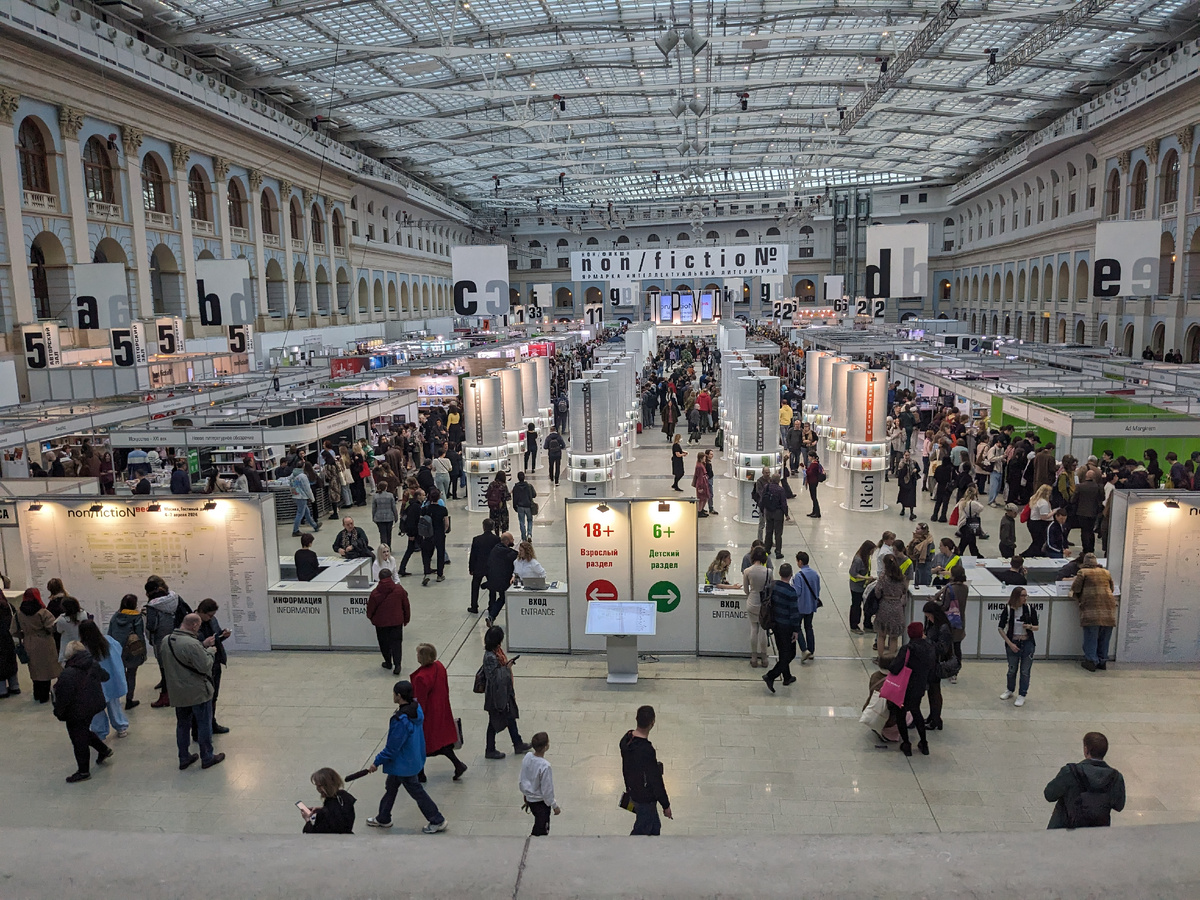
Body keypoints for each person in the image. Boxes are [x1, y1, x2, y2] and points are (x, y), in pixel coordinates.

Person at [365, 680, 448, 833]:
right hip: (412, 759)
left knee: (417, 792)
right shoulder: (416, 710)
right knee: (391, 787)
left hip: (403, 764)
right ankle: (383, 817)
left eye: (394, 693)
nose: (393, 696)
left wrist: (376, 762)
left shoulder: (400, 720)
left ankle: (437, 819)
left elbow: (392, 748)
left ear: (399, 696)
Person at [161, 613, 225, 771]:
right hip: (197, 691)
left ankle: (183, 757)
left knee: (182, 725)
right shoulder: (192, 644)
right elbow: (205, 666)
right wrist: (210, 651)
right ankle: (207, 757)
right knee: (204, 724)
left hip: (177, 690)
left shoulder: (166, 640)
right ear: (195, 626)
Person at [53, 641, 113, 783]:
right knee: (83, 731)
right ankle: (103, 750)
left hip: (77, 710)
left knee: (78, 738)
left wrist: (58, 712)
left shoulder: (68, 673)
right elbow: (105, 677)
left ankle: (83, 771)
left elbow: (63, 697)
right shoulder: (92, 663)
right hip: (93, 704)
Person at [1044, 732, 1126, 829]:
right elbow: (1119, 806)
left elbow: (1049, 795)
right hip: (1096, 834)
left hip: (1065, 831)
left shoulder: (1070, 772)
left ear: (1086, 750)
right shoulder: (1115, 777)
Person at [410, 643, 467, 781]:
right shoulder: (439, 667)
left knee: (420, 743)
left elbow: (419, 701)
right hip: (441, 708)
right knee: (441, 741)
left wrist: (413, 715)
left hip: (428, 714)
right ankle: (457, 764)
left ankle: (420, 774)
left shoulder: (420, 678)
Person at [619, 705, 672, 836]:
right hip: (644, 797)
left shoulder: (626, 739)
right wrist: (666, 805)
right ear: (652, 723)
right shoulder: (646, 750)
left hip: (633, 790)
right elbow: (656, 781)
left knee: (654, 826)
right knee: (641, 830)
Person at [887, 622, 935, 757]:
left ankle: (906, 744)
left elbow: (895, 667)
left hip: (905, 687)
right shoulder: (929, 648)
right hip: (920, 686)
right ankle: (924, 743)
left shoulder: (907, 649)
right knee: (916, 711)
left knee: (901, 713)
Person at [482, 625, 530, 760]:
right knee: (494, 722)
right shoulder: (490, 657)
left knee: (510, 717)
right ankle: (490, 749)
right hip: (496, 695)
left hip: (504, 692)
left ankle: (517, 743)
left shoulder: (496, 652)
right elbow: (494, 677)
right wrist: (507, 668)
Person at [77, 619, 129, 740]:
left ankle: (99, 732)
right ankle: (121, 727)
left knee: (96, 710)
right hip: (111, 680)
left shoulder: (82, 648)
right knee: (114, 705)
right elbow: (119, 651)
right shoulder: (109, 641)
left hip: (93, 683)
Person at [1070, 553, 1118, 672]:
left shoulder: (1083, 572)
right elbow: (1112, 588)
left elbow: (1076, 588)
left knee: (1091, 636)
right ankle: (1102, 661)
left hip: (1092, 610)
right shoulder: (1106, 572)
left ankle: (1091, 661)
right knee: (1104, 637)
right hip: (1108, 610)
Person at [16, 588, 61, 703]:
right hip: (45, 642)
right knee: (46, 669)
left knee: (35, 669)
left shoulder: (19, 612)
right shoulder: (43, 612)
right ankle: (45, 695)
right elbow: (51, 627)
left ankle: (37, 694)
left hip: (29, 642)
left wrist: (24, 635)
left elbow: (13, 630)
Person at [762, 563, 800, 693]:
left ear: (779, 573)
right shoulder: (791, 592)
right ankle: (771, 675)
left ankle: (787, 677)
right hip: (787, 626)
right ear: (791, 575)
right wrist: (796, 630)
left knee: (782, 651)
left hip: (775, 624)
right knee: (790, 653)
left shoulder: (773, 586)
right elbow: (794, 613)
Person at [999, 586, 1039, 706]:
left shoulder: (1030, 610)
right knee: (1012, 669)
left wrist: (1029, 627)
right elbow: (1000, 628)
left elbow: (1037, 627)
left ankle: (1022, 694)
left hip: (1027, 643)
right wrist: (1010, 643)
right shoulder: (1008, 609)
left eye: (1026, 595)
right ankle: (1010, 689)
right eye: (1022, 596)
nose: (1025, 598)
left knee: (1025, 671)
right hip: (1013, 642)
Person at [196, 599, 231, 734]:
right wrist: (203, 644)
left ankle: (212, 723)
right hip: (202, 665)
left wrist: (223, 635)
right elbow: (189, 646)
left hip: (214, 662)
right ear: (201, 612)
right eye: (209, 615)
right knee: (203, 699)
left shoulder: (212, 620)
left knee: (214, 696)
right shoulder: (192, 623)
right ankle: (200, 728)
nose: (211, 618)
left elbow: (216, 638)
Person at [367, 569, 410, 676]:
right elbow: (406, 606)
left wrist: (372, 619)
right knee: (397, 643)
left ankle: (388, 662)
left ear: (380, 578)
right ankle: (397, 665)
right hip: (397, 622)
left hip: (381, 623)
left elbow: (370, 610)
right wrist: (406, 619)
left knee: (384, 643)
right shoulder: (399, 590)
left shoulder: (375, 593)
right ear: (391, 577)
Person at [519, 732, 562, 836]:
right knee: (541, 829)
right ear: (546, 747)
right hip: (540, 802)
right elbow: (547, 790)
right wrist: (554, 805)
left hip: (529, 798)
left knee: (539, 823)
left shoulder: (528, 756)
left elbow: (523, 777)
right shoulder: (545, 766)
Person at [922, 601, 955, 731]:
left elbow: (942, 648)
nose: (928, 619)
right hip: (930, 662)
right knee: (932, 691)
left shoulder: (943, 627)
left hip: (937, 663)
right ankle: (933, 716)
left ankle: (936, 719)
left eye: (929, 616)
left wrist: (926, 640)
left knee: (935, 692)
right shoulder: (933, 625)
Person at [936, 564, 969, 680]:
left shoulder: (950, 589)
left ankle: (947, 669)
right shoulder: (965, 588)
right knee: (957, 646)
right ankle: (956, 671)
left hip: (949, 622)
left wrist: (935, 603)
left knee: (947, 646)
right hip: (960, 621)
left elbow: (945, 606)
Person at [299, 768, 357, 834]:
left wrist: (307, 820)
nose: (317, 789)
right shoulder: (344, 796)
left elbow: (315, 834)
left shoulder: (326, 813)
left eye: (319, 786)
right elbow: (338, 813)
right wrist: (322, 809)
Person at [742, 546, 772, 668]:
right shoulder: (768, 572)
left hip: (752, 602)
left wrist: (751, 595)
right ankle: (764, 657)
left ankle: (754, 657)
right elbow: (771, 588)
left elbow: (745, 590)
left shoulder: (747, 571)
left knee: (754, 628)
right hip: (763, 604)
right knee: (763, 630)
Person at [873, 554, 908, 655]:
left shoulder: (883, 577)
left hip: (884, 606)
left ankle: (881, 658)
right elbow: (904, 590)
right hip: (897, 607)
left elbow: (878, 592)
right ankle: (891, 658)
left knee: (881, 635)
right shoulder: (901, 577)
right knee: (894, 637)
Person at [467, 519, 501, 615]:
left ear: (483, 527)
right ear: (493, 527)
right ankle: (491, 606)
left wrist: (471, 568)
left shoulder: (476, 539)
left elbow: (473, 555)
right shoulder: (497, 539)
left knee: (475, 586)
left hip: (479, 566)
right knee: (492, 587)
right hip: (491, 567)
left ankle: (474, 606)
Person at [792, 551, 820, 663]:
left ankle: (804, 649)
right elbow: (818, 589)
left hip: (800, 606)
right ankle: (811, 650)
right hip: (811, 605)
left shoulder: (799, 576)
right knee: (809, 626)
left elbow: (797, 592)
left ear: (800, 562)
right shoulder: (815, 574)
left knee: (797, 627)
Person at [485, 532, 518, 627]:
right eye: (512, 539)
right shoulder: (507, 552)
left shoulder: (495, 549)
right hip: (504, 581)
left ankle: (491, 616)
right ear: (507, 541)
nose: (513, 541)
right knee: (505, 598)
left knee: (501, 599)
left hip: (493, 580)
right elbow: (516, 555)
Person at [419, 489, 450, 586]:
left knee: (427, 554)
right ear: (439, 497)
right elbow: (446, 524)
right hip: (439, 534)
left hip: (428, 534)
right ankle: (440, 575)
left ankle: (427, 573)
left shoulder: (425, 509)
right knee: (440, 554)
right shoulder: (443, 509)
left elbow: (422, 521)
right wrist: (443, 531)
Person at [1073, 470, 1103, 556]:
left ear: (1086, 476)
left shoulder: (1080, 486)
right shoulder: (1098, 487)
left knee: (1084, 531)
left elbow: (1073, 499)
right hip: (1093, 512)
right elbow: (1102, 498)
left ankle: (1085, 549)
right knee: (1091, 531)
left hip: (1081, 512)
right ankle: (1091, 549)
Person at [848, 540, 875, 634]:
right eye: (872, 550)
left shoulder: (866, 557)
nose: (873, 553)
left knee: (868, 605)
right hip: (856, 587)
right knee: (856, 605)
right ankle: (854, 626)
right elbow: (853, 573)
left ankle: (867, 624)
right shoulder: (858, 560)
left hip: (865, 585)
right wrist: (865, 578)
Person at [759, 474, 789, 558]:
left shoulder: (766, 487)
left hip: (768, 512)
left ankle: (767, 549)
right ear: (778, 481)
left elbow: (762, 499)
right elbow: (783, 503)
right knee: (778, 533)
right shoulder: (781, 490)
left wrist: (762, 510)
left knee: (769, 531)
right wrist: (786, 514)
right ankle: (778, 552)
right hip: (778, 513)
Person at [1022, 483, 1054, 557]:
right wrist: (1054, 512)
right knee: (1038, 542)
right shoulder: (1043, 503)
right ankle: (1025, 555)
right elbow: (1044, 517)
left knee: (1037, 541)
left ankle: (1036, 553)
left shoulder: (1034, 498)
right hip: (1039, 524)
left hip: (1032, 522)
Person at [953, 487, 986, 557]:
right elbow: (981, 508)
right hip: (971, 525)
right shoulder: (973, 503)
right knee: (968, 542)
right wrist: (976, 500)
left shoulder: (962, 502)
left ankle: (975, 555)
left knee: (968, 542)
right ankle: (975, 556)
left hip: (962, 525)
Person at [289, 466, 321, 537]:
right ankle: (295, 530)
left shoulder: (292, 475)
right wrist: (312, 498)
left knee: (307, 512)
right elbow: (307, 488)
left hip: (295, 495)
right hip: (302, 496)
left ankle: (315, 525)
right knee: (300, 513)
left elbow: (290, 485)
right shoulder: (303, 476)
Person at [54, 597, 87, 664]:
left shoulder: (62, 620)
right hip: (81, 643)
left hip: (67, 646)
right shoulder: (83, 614)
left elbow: (59, 630)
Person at [0, 596, 20, 699]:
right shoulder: (8, 606)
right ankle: (14, 686)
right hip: (8, 639)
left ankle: (2, 690)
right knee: (11, 661)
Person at [511, 471, 537, 542]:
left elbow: (514, 498)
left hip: (520, 506)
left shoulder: (515, 487)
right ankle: (529, 534)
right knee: (530, 520)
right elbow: (534, 494)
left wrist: (514, 506)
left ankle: (523, 537)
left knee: (521, 522)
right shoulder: (529, 486)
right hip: (528, 506)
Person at [371, 482, 398, 549]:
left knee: (382, 533)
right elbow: (394, 507)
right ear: (386, 487)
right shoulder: (390, 495)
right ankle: (389, 547)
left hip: (379, 518)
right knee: (389, 533)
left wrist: (373, 516)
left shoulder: (375, 496)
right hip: (389, 517)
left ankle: (383, 548)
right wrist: (396, 516)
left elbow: (374, 508)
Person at [895, 450, 921, 520]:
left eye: (908, 455)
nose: (907, 457)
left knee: (911, 498)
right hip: (904, 483)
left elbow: (918, 469)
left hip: (911, 482)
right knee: (903, 497)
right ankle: (903, 509)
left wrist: (916, 470)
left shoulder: (914, 462)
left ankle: (911, 512)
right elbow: (899, 474)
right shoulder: (901, 463)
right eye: (906, 455)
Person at [908, 523, 934, 588]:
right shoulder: (916, 539)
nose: (916, 530)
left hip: (925, 565)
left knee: (923, 585)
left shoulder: (928, 542)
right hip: (918, 564)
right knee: (917, 583)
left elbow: (927, 554)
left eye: (918, 529)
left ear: (923, 531)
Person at [804, 452, 824, 518]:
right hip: (812, 481)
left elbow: (810, 473)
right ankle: (814, 511)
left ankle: (817, 512)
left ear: (812, 457)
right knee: (813, 497)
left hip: (813, 482)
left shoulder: (814, 464)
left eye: (809, 456)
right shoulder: (814, 464)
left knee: (814, 497)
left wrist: (805, 470)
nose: (808, 458)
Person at [692, 453, 711, 518]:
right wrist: (700, 487)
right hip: (702, 483)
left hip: (703, 482)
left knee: (704, 497)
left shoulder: (700, 464)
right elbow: (699, 477)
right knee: (701, 498)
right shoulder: (700, 466)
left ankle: (701, 509)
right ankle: (699, 511)